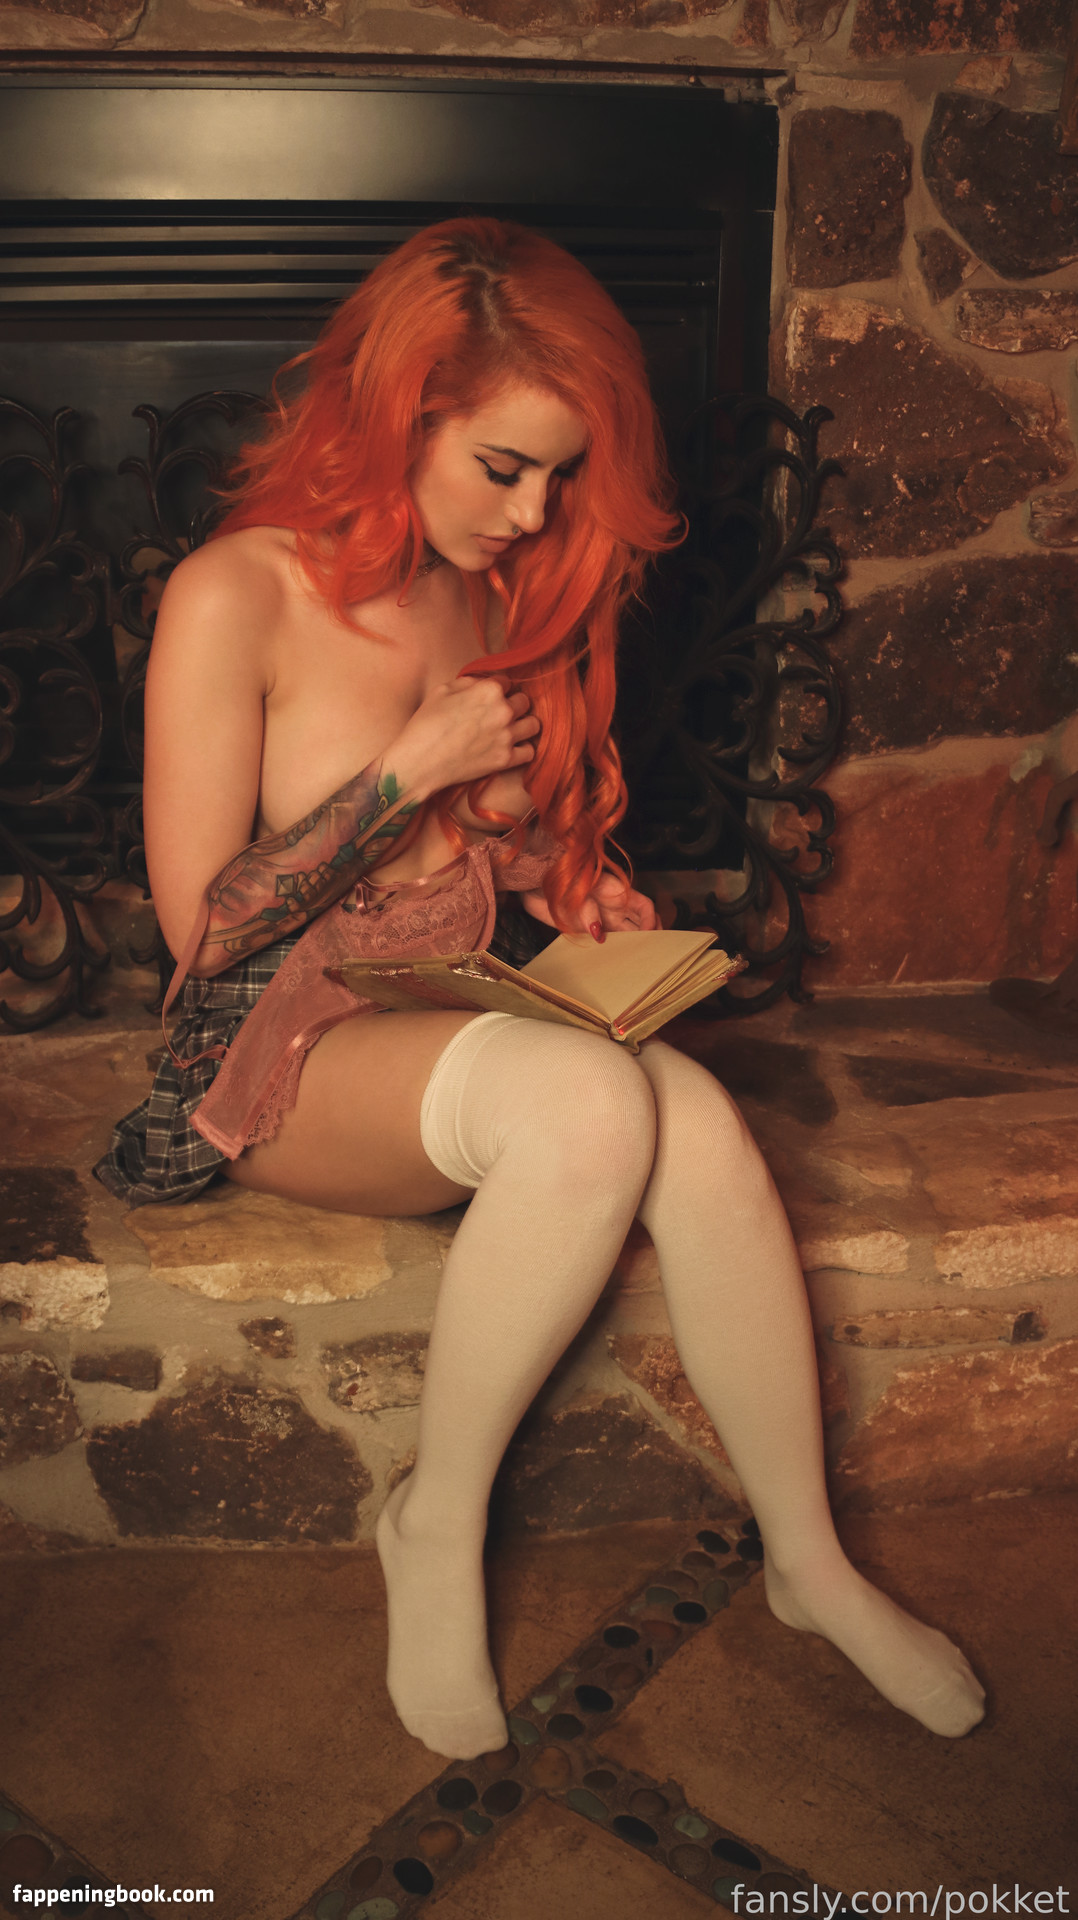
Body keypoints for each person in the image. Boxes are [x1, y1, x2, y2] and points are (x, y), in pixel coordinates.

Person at [95, 218, 985, 1760]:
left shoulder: (498, 590)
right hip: (276, 1052)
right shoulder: (237, 593)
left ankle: (807, 1558)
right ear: (397, 415)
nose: (532, 511)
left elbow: (508, 857)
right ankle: (435, 1522)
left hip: (450, 1011)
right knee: (588, 1104)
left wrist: (580, 894)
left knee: (696, 1122)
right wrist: (402, 772)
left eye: (558, 476)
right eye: (502, 467)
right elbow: (205, 935)